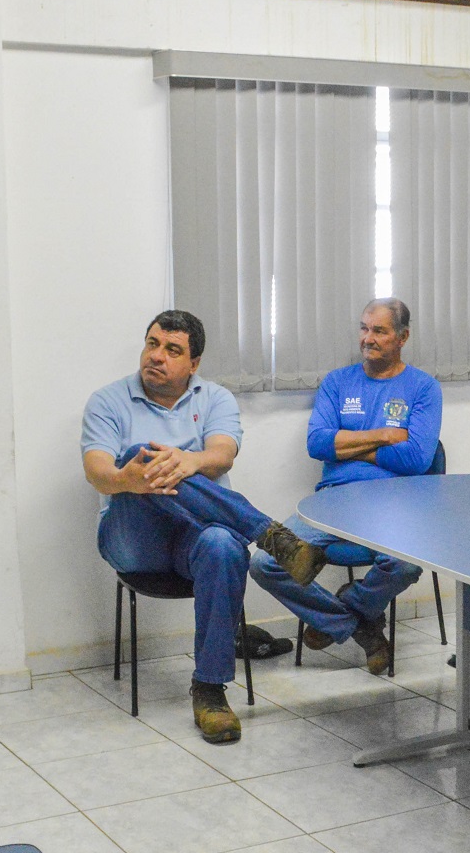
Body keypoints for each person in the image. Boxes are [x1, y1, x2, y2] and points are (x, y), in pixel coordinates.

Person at [81, 311, 326, 744]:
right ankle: (270, 535)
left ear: (194, 363)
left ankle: (210, 691)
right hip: (132, 538)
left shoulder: (214, 398)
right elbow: (98, 472)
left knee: (222, 545)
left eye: (171, 350)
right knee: (144, 454)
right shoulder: (108, 400)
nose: (156, 356)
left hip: (195, 535)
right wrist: (129, 479)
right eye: (151, 343)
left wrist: (186, 461)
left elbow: (222, 454)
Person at [251, 299, 442, 675]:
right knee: (264, 563)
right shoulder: (338, 383)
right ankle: (359, 626)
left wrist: (351, 446)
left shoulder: (423, 388)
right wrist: (385, 436)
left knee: (405, 562)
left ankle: (347, 608)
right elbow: (318, 444)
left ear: (403, 337)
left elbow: (418, 459)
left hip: (397, 504)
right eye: (364, 328)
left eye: (379, 331)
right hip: (332, 503)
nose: (367, 339)